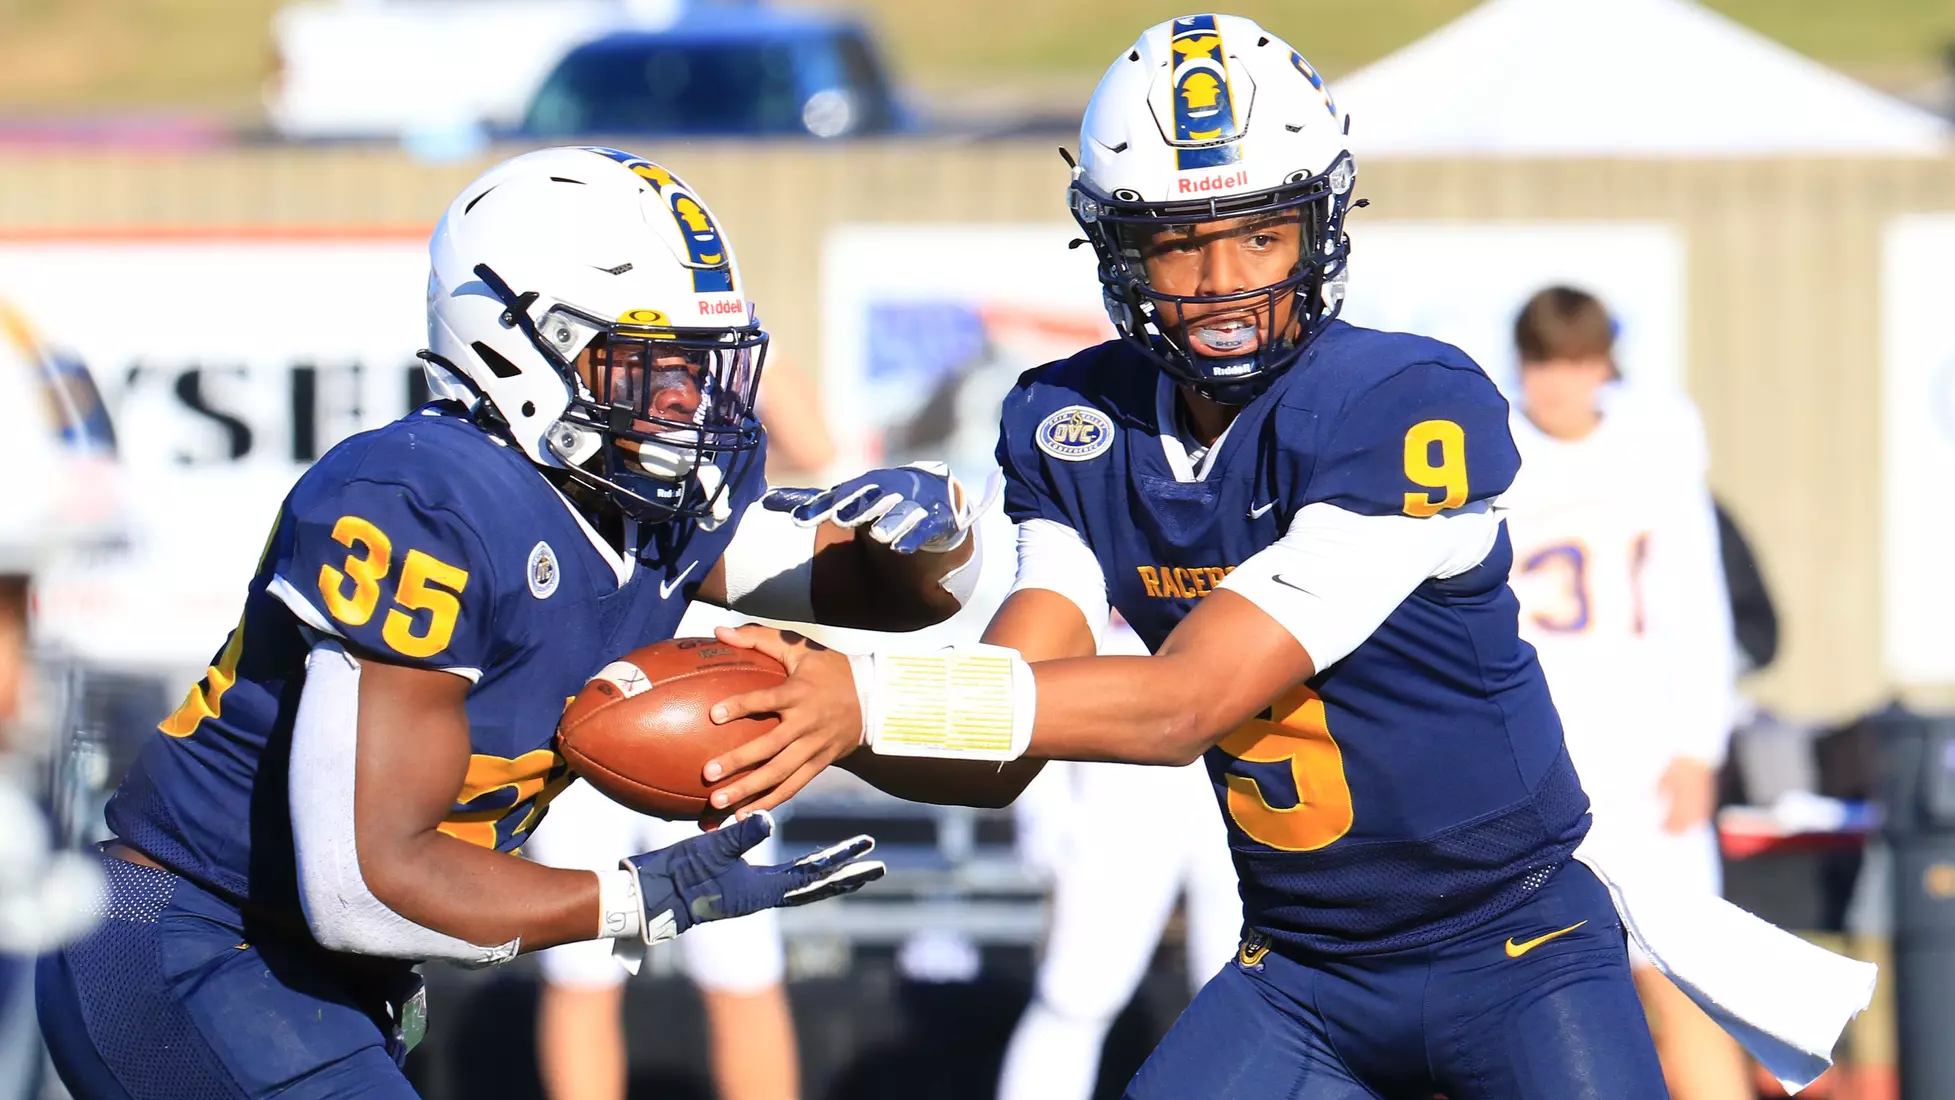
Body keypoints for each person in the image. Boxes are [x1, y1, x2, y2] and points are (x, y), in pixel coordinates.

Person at [692, 16, 1675, 1098]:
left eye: (1260, 236)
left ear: (1319, 227)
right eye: (1177, 242)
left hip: (1515, 950)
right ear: (1118, 250)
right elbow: (999, 730)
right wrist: (808, 714)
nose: (1221, 282)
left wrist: (867, 698)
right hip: (1303, 975)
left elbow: (1183, 706)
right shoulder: (1074, 425)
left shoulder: (1402, 404)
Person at [34, 145, 994, 1100]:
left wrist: (937, 537)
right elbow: (360, 885)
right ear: (513, 344)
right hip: (194, 937)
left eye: (696, 364)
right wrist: (638, 898)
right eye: (643, 363)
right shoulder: (424, 500)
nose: (681, 399)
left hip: (315, 975)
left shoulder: (636, 498)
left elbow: (883, 591)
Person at [1498, 286, 1750, 1100]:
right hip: (1530, 764)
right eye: (1542, 363)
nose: (1557, 385)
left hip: (1639, 759)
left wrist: (1696, 747)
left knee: (1685, 982)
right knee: (1534, 993)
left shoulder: (1654, 442)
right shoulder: (1489, 451)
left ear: (1604, 365)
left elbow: (1696, 603)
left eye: (1575, 362)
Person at [993, 615, 1240, 1100]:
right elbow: (1035, 684)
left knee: (1246, 996)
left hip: (1232, 780)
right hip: (1119, 798)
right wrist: (1046, 814)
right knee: (1077, 995)